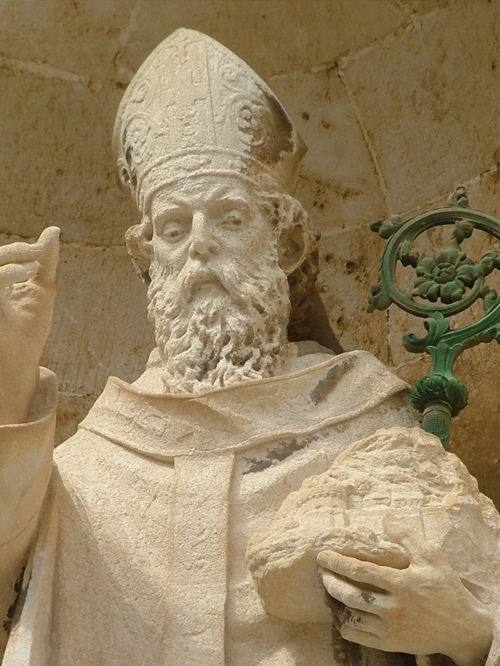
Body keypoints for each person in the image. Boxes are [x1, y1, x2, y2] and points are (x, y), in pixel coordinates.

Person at [0, 29, 495, 666]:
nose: (199, 245)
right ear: (147, 261)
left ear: (284, 244)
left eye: (229, 218)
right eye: (172, 228)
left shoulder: (370, 427)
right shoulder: (95, 461)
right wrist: (12, 373)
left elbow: (476, 602)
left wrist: (466, 633)